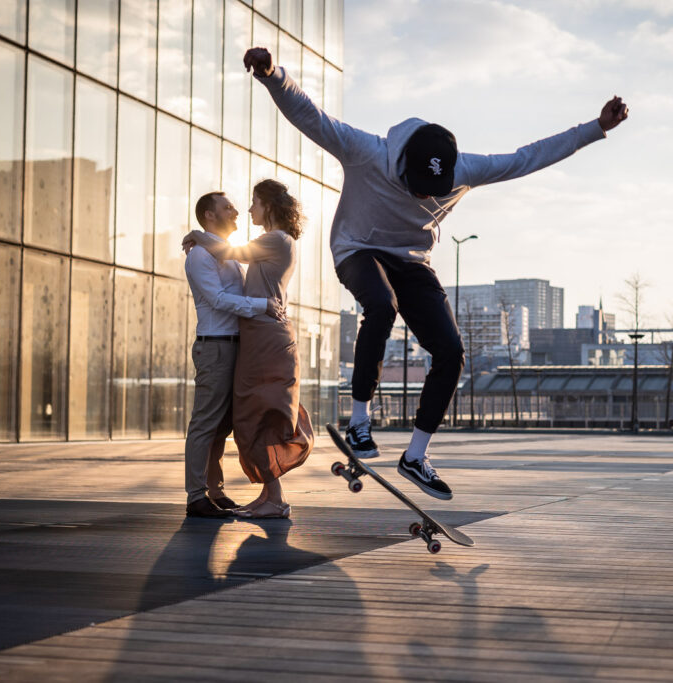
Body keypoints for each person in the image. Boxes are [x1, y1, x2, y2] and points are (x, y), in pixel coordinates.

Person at [242, 46, 629, 501]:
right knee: (381, 306)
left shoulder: (467, 170)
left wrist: (596, 127)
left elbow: (530, 156)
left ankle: (416, 455)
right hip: (357, 250)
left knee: (451, 351)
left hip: (411, 260)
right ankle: (361, 421)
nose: (422, 198)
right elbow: (312, 116)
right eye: (414, 189)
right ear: (401, 165)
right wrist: (272, 75)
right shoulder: (366, 150)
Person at [182, 179, 314, 519]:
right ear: (210, 215)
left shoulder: (272, 241)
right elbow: (219, 298)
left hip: (257, 340)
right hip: (230, 343)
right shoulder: (203, 255)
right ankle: (203, 495)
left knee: (251, 416)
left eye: (252, 202)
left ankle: (261, 495)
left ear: (268, 206)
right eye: (231, 207)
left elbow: (233, 256)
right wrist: (199, 238)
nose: (243, 209)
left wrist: (198, 234)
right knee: (228, 420)